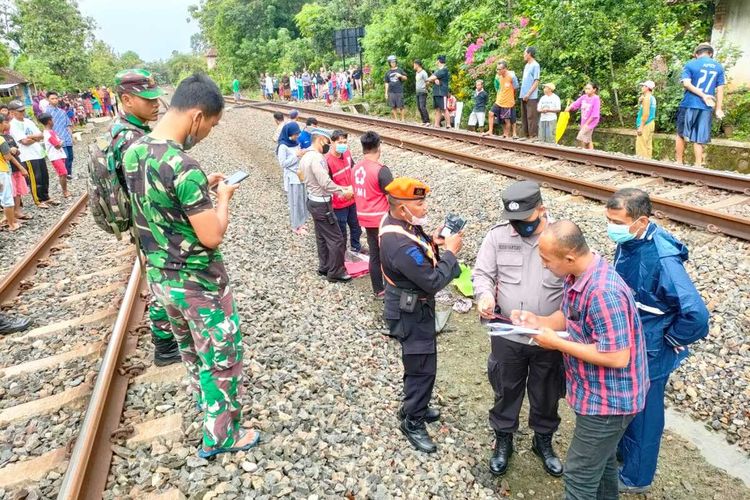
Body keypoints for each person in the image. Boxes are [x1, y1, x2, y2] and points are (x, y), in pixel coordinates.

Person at [123, 73, 261, 458]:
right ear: (197, 116)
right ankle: (221, 437)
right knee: (222, 357)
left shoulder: (135, 151)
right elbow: (212, 235)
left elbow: (159, 204)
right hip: (199, 284)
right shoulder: (183, 165)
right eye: (211, 125)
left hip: (162, 282)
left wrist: (204, 186)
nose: (207, 133)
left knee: (193, 353)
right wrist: (224, 197)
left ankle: (209, 411)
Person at [510, 220, 648, 500]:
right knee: (603, 463)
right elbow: (570, 316)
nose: (544, 265)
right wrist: (540, 322)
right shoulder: (578, 274)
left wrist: (557, 343)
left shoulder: (602, 292)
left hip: (610, 402)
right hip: (596, 394)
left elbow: (617, 356)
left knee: (579, 474)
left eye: (546, 260)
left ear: (569, 257)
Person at [604, 189, 709, 494]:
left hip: (652, 348)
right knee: (630, 406)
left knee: (646, 414)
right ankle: (626, 454)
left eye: (617, 221)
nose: (612, 227)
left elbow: (697, 315)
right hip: (634, 341)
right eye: (609, 220)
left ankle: (638, 477)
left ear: (641, 221)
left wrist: (669, 339)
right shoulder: (631, 242)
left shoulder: (663, 258)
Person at [473, 181, 564, 478]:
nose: (519, 226)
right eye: (514, 219)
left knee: (547, 391)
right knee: (506, 388)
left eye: (525, 218)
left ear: (541, 209)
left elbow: (576, 281)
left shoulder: (561, 239)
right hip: (508, 333)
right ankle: (503, 440)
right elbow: (483, 274)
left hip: (549, 336)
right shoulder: (498, 237)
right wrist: (484, 295)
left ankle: (543, 441)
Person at [380, 177, 463, 453]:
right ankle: (413, 421)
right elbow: (431, 280)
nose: (425, 207)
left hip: (414, 307)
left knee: (419, 362)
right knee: (422, 366)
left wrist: (436, 243)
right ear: (402, 208)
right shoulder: (398, 242)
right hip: (411, 312)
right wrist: (451, 253)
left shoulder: (400, 225)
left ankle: (414, 405)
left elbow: (422, 254)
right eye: (419, 202)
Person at [106, 69, 183, 368]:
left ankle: (168, 339)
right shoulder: (129, 139)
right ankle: (164, 346)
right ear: (126, 99)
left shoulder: (129, 129)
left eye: (155, 97)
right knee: (160, 280)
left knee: (160, 279)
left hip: (147, 220)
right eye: (147, 98)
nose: (155, 103)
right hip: (150, 223)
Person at [300, 127, 354, 282]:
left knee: (321, 237)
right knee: (336, 238)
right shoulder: (317, 158)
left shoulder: (305, 156)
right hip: (322, 203)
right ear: (320, 140)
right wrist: (342, 191)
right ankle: (336, 271)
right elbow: (325, 182)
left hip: (312, 200)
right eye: (328, 143)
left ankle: (324, 266)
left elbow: (302, 176)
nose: (328, 146)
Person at [352, 131, 393, 297]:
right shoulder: (381, 170)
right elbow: (392, 198)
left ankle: (378, 289)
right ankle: (390, 288)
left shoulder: (355, 168)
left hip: (365, 218)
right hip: (381, 219)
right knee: (388, 256)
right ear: (379, 147)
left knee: (374, 254)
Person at [675, 43, 724, 167]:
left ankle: (679, 162)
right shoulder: (718, 67)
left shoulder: (691, 64)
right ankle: (698, 165)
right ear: (710, 53)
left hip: (689, 104)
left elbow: (686, 83)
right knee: (699, 138)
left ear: (696, 54)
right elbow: (720, 89)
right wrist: (718, 109)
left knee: (681, 134)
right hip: (706, 107)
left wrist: (701, 95)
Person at [8, 100, 54, 208]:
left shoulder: (28, 121)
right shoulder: (13, 125)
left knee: (44, 176)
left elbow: (41, 134)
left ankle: (46, 197)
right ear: (12, 112)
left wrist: (31, 137)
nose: (22, 113)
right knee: (35, 178)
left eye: (23, 110)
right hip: (27, 156)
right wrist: (35, 138)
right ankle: (38, 200)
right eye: (20, 111)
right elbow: (24, 142)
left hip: (38, 153)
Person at [326, 129, 362, 252]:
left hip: (352, 198)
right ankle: (342, 254)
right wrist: (342, 192)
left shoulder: (347, 153)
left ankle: (356, 248)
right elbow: (328, 184)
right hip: (339, 203)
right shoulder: (327, 161)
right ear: (332, 142)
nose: (342, 145)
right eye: (339, 142)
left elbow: (353, 168)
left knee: (356, 226)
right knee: (341, 230)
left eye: (344, 142)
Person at [277, 121, 309, 234]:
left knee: (302, 200)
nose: (297, 136)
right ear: (288, 133)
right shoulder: (283, 146)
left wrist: (303, 154)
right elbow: (283, 164)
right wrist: (296, 156)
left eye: (297, 134)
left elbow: (299, 153)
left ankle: (302, 222)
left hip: (300, 174)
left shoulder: (296, 142)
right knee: (295, 202)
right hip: (292, 177)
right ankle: (295, 226)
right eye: (295, 134)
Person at [0, 115, 31, 222]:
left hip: (15, 167)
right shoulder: (1, 138)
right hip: (7, 169)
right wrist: (21, 167)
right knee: (9, 193)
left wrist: (15, 150)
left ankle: (17, 211)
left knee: (18, 190)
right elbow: (8, 156)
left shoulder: (9, 137)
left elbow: (17, 150)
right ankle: (9, 217)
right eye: (6, 122)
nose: (8, 124)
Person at [38, 113, 71, 199]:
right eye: (52, 120)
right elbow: (57, 145)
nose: (53, 121)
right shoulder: (48, 134)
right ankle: (65, 191)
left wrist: (60, 141)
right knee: (63, 173)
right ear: (49, 121)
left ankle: (65, 190)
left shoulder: (50, 132)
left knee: (62, 173)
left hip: (59, 155)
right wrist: (61, 141)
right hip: (55, 156)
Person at [45, 91, 74, 179]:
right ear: (48, 100)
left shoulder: (62, 111)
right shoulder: (47, 113)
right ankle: (65, 175)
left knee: (71, 157)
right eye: (52, 99)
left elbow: (68, 124)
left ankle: (69, 173)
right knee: (65, 157)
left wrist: (71, 136)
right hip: (58, 138)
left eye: (56, 98)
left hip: (66, 136)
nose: (55, 100)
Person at [565, 83, 601, 150]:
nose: (586, 90)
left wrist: (587, 124)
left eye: (589, 89)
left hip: (591, 121)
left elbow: (595, 114)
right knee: (588, 138)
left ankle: (583, 151)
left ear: (594, 90)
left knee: (581, 136)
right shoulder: (584, 97)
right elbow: (576, 104)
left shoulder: (596, 99)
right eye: (586, 88)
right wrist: (569, 107)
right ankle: (591, 153)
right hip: (584, 120)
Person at [488, 61, 518, 137]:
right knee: (491, 113)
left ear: (504, 69)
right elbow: (500, 88)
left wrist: (511, 97)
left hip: (508, 102)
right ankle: (490, 131)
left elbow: (516, 88)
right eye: (497, 69)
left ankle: (506, 135)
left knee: (507, 120)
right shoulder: (499, 77)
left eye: (499, 69)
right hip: (499, 101)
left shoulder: (511, 76)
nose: (498, 71)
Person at [520, 47, 541, 138]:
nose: (523, 55)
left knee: (531, 116)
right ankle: (526, 135)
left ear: (529, 54)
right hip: (523, 94)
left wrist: (528, 94)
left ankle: (533, 136)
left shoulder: (535, 65)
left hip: (531, 96)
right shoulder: (526, 65)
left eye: (525, 53)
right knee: (524, 116)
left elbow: (536, 81)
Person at [0, 125, 18, 230]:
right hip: (2, 171)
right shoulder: (1, 139)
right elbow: (7, 156)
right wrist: (12, 150)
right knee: (6, 198)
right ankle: (11, 224)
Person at [427, 55, 451, 128]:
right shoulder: (437, 71)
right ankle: (436, 124)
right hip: (436, 92)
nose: (436, 62)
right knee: (437, 109)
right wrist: (432, 80)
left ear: (439, 61)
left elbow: (432, 78)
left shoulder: (444, 70)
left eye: (437, 60)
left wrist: (429, 79)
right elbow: (432, 79)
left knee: (444, 108)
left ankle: (448, 124)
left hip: (442, 92)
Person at [635, 81, 657, 159]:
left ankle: (641, 164)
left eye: (643, 86)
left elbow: (646, 114)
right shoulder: (652, 98)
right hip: (651, 122)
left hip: (646, 124)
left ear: (647, 88)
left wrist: (641, 126)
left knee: (641, 145)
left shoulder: (647, 98)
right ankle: (648, 162)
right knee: (648, 145)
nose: (642, 88)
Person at [384, 56, 408, 121]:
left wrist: (400, 75)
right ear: (389, 63)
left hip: (399, 90)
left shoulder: (399, 70)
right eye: (391, 62)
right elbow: (386, 83)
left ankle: (402, 119)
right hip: (391, 91)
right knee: (393, 106)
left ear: (396, 62)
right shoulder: (387, 72)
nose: (393, 63)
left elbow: (406, 78)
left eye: (394, 62)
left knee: (401, 106)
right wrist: (386, 93)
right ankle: (396, 119)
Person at [413, 59, 430, 126]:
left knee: (422, 106)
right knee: (419, 107)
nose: (413, 66)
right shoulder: (417, 73)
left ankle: (427, 121)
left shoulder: (424, 73)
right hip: (417, 92)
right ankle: (424, 121)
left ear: (417, 65)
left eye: (414, 64)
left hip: (423, 91)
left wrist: (425, 88)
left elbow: (427, 81)